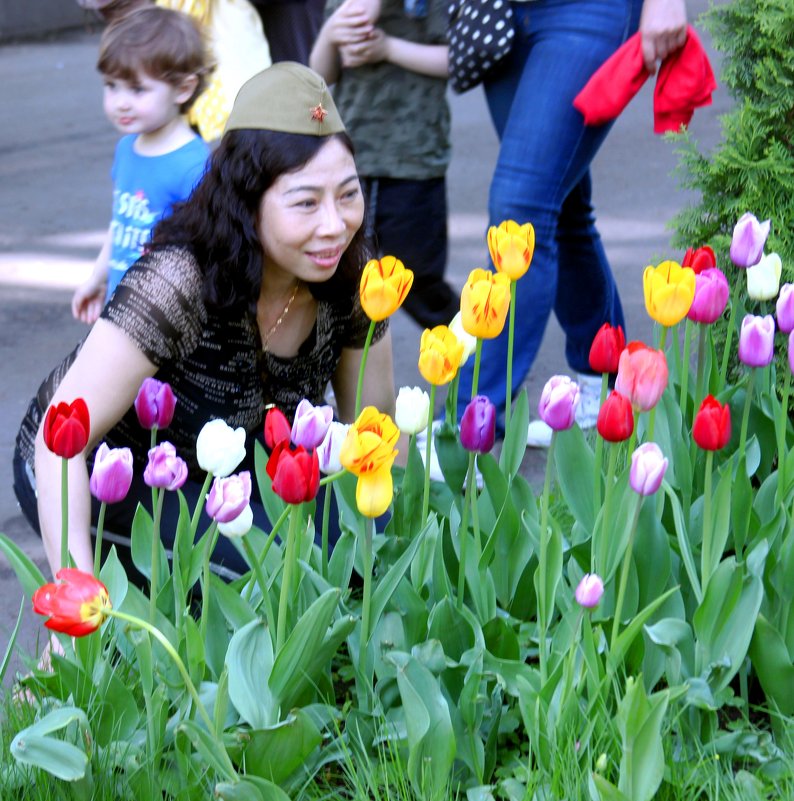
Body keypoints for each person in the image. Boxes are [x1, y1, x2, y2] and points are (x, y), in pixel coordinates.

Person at [14, 63, 396, 580]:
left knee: (359, 537)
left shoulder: (353, 280)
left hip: (223, 475)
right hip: (104, 471)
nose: (335, 225)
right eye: (305, 202)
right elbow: (61, 443)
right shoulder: (178, 282)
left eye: (348, 194)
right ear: (246, 201)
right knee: (277, 563)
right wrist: (73, 595)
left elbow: (370, 433)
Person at [454, 0, 688, 445]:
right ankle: (604, 383)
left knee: (519, 211)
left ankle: (471, 427)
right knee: (559, 205)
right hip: (499, 16)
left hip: (587, 10)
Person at [309, 0, 460, 329]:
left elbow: (456, 58)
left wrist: (388, 48)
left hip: (414, 160)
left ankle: (472, 348)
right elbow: (322, 72)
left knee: (418, 278)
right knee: (338, 273)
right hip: (351, 160)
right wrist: (332, 34)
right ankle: (333, 366)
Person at [71, 5, 211, 325]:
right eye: (112, 85)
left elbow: (207, 252)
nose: (121, 101)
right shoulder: (126, 149)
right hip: (119, 307)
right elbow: (120, 225)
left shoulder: (193, 165)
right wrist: (97, 278)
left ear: (184, 88)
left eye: (137, 89)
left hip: (162, 320)